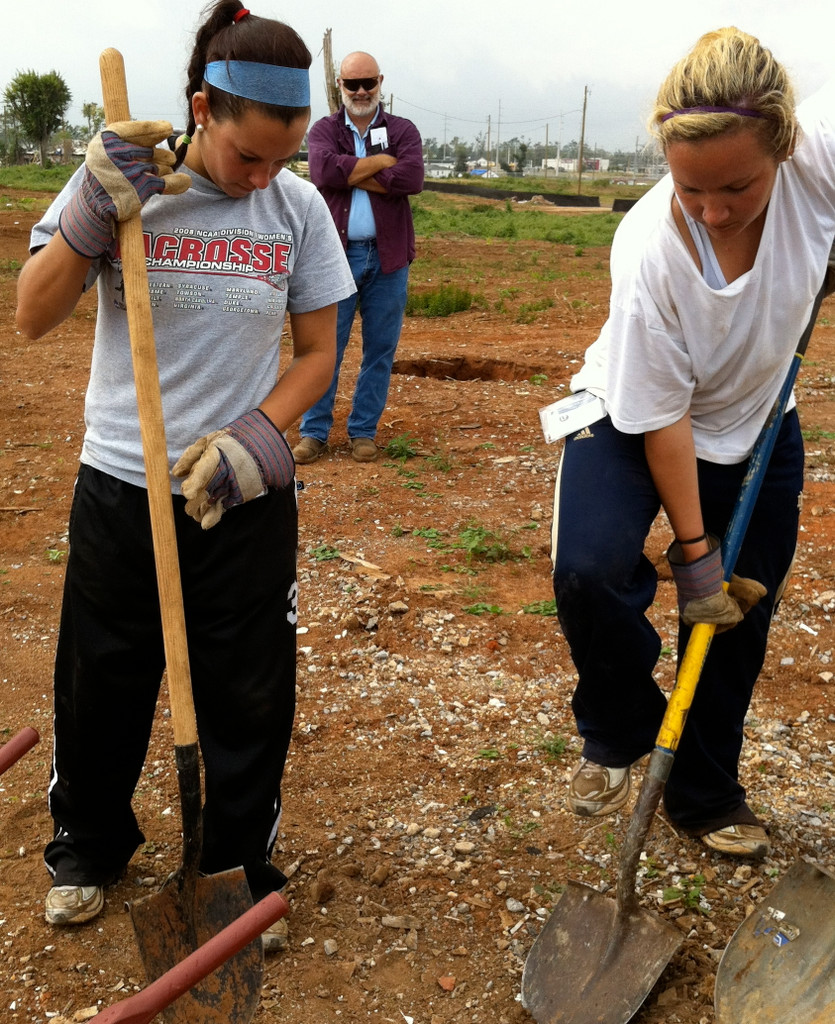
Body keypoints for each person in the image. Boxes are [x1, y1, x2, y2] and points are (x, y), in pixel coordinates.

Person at [15, 0, 355, 940]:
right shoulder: (129, 191)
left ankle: (232, 867)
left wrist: (260, 439)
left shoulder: (293, 210)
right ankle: (87, 845)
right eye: (249, 156)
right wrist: (90, 208)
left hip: (238, 495)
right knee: (103, 679)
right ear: (202, 108)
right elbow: (31, 315)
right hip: (124, 482)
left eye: (283, 158)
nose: (263, 177)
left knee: (248, 689)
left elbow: (320, 351)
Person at [551, 28, 835, 859]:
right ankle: (618, 724)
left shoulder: (816, 159)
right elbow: (661, 419)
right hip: (633, 409)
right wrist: (692, 549)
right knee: (591, 570)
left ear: (784, 149)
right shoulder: (649, 251)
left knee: (738, 614)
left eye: (737, 188)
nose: (712, 212)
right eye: (690, 189)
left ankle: (705, 793)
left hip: (756, 419)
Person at [292, 51, 424, 465]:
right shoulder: (323, 130)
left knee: (380, 350)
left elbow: (412, 177)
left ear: (381, 82)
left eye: (369, 83)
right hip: (335, 256)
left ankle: (363, 431)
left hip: (389, 259)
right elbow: (322, 173)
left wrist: (353, 171)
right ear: (340, 86)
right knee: (324, 346)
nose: (362, 91)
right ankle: (314, 433)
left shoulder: (402, 129)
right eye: (353, 84)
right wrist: (382, 164)